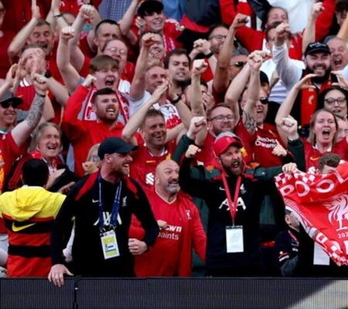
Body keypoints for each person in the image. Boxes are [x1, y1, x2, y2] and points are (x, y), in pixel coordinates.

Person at [172, 117, 304, 276]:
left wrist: (286, 158)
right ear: (219, 159)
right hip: (219, 261)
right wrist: (187, 159)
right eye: (228, 154)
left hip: (250, 262)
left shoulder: (255, 183)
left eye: (237, 152)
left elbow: (294, 177)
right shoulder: (212, 185)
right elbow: (184, 182)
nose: (235, 157)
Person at [48, 137, 160, 285]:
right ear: (108, 158)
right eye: (123, 155)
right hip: (86, 271)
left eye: (129, 154)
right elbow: (59, 225)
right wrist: (57, 262)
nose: (130, 159)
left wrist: (146, 244)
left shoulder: (132, 188)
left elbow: (151, 225)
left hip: (121, 270)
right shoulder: (83, 187)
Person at [0, 159, 66, 278]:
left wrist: (5, 262)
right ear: (47, 178)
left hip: (15, 274)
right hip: (49, 276)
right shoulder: (58, 200)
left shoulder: (5, 199)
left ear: (22, 177)